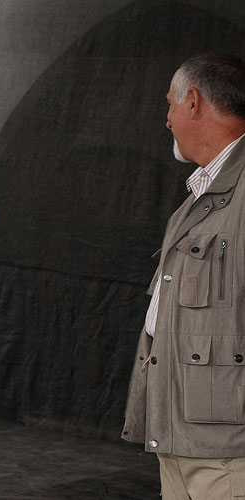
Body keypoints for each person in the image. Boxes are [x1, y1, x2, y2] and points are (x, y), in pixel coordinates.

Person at [122, 52, 245, 499]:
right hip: (181, 435)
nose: (167, 119)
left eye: (171, 104)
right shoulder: (202, 190)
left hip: (227, 450)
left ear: (193, 102)